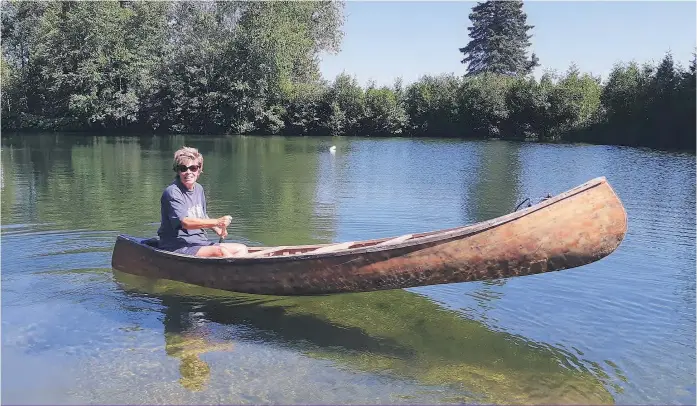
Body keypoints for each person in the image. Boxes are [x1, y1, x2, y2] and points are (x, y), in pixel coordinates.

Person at [157, 146, 248, 258]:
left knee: (242, 249)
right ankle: (237, 273)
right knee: (221, 252)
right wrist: (217, 222)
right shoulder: (172, 192)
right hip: (176, 246)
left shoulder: (199, 189)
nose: (188, 172)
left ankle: (237, 272)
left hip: (198, 242)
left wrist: (217, 229)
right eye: (183, 168)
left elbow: (202, 215)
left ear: (199, 169)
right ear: (178, 170)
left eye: (193, 168)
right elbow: (185, 222)